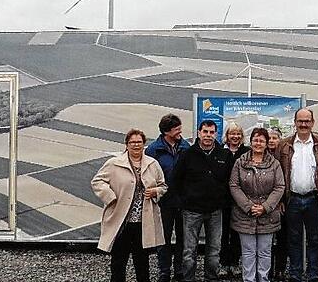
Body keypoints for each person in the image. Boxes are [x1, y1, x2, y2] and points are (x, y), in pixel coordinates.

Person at [92, 129, 167, 282]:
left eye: (139, 142)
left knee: (142, 262)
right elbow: (97, 182)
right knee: (119, 261)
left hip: (143, 222)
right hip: (122, 222)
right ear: (126, 144)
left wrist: (156, 191)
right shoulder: (114, 164)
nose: (136, 145)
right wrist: (111, 197)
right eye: (132, 142)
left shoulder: (153, 164)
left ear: (144, 144)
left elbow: (163, 185)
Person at [173, 120, 235, 282]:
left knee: (214, 250)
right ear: (199, 133)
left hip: (215, 211)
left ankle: (211, 278)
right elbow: (176, 180)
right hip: (191, 211)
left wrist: (223, 202)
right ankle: (188, 278)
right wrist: (182, 202)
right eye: (205, 132)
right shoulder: (187, 154)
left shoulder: (224, 155)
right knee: (189, 251)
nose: (208, 135)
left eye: (212, 132)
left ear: (216, 134)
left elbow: (230, 182)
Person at [275, 108, 318, 282]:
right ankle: (295, 273)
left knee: (314, 239)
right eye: (300, 121)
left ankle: (314, 274)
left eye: (307, 121)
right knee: (294, 239)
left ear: (313, 123)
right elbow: (278, 174)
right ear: (295, 122)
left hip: (314, 198)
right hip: (292, 199)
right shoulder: (283, 145)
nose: (304, 124)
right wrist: (280, 200)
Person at [229, 127, 286, 282]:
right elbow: (234, 185)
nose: (258, 143)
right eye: (255, 140)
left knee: (265, 251)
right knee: (247, 251)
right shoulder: (240, 162)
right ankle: (248, 279)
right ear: (251, 141)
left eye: (262, 140)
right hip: (244, 214)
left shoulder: (274, 164)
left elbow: (279, 186)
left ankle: (263, 278)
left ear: (267, 143)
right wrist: (248, 206)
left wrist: (265, 207)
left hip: (268, 215)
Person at [146, 113, 191, 282]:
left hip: (182, 201)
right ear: (167, 131)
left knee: (182, 238)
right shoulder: (153, 150)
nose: (180, 131)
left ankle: (179, 270)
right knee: (162, 238)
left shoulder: (185, 147)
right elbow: (148, 175)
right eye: (176, 129)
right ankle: (164, 270)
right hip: (163, 203)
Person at [221, 123, 251, 278]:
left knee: (238, 233)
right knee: (222, 233)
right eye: (232, 133)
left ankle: (235, 262)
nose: (235, 136)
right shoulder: (220, 152)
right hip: (223, 201)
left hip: (241, 201)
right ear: (227, 135)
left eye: (238, 134)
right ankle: (223, 263)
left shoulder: (247, 152)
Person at [267, 127, 288, 282]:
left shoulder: (286, 157)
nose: (272, 140)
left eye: (275, 137)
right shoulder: (260, 156)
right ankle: (266, 269)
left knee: (283, 239)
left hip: (283, 204)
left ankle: (280, 269)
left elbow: (284, 183)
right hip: (264, 204)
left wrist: (281, 201)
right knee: (265, 241)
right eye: (269, 138)